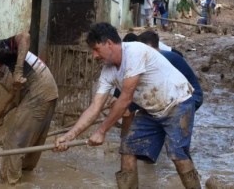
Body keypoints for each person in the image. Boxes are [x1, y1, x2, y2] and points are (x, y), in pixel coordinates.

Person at [54, 22, 201, 189]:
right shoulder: (108, 71)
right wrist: (69, 135)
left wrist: (101, 131)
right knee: (127, 149)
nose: (94, 56)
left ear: (109, 43)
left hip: (178, 103)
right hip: (151, 110)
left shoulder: (134, 51)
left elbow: (125, 99)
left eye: (96, 49)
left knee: (177, 154)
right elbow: (95, 107)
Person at [0, 29, 58, 185]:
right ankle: (26, 177)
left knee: (13, 139)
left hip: (38, 88)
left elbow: (24, 36)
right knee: (32, 139)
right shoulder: (1, 60)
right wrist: (0, 117)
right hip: (47, 88)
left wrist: (18, 71)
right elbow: (16, 97)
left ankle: (11, 183)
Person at [137, 30, 203, 111]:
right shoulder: (163, 55)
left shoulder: (162, 58)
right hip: (184, 95)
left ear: (148, 46)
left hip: (191, 97)